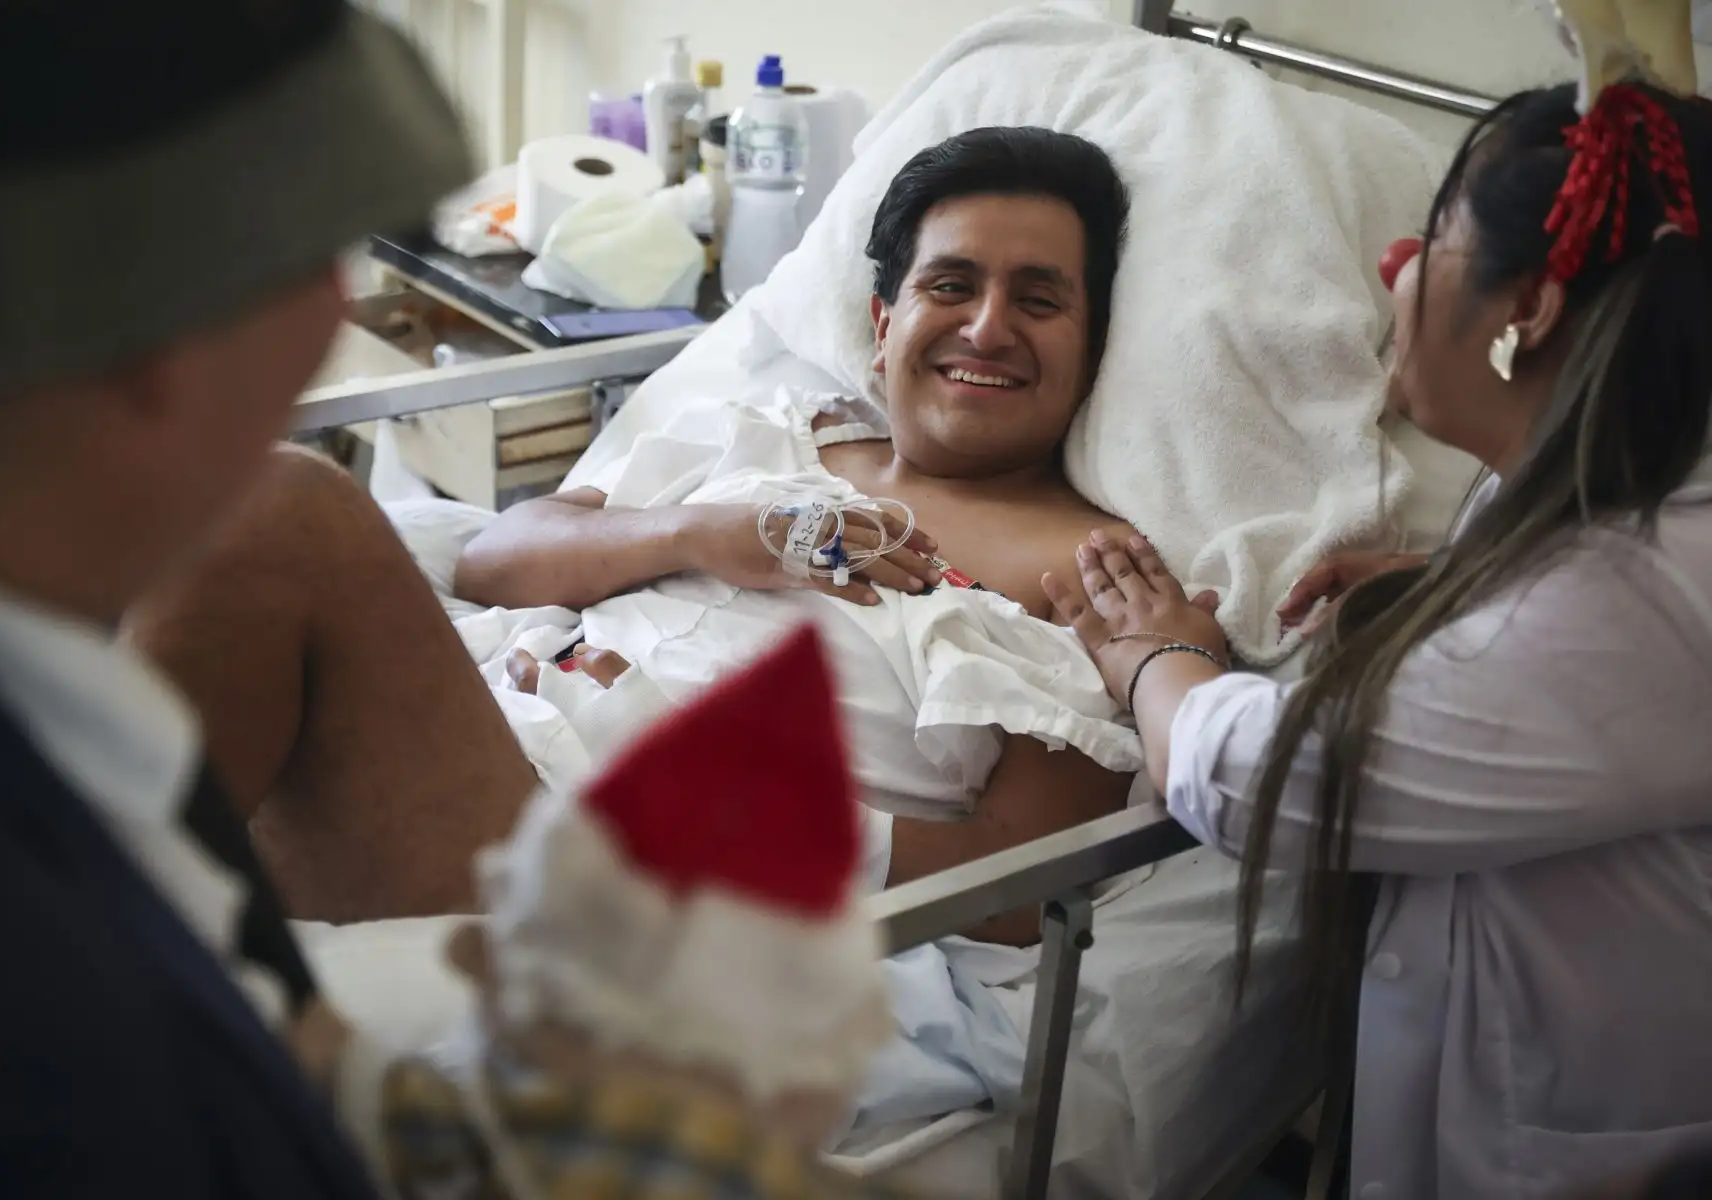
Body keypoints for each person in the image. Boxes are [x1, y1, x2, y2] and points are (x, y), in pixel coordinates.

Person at [129, 127, 1142, 943]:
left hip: (612, 870)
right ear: (882, 325)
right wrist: (708, 533)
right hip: (490, 732)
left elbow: (1020, 891)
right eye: (951, 286)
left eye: (1040, 299)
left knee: (280, 509)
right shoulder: (775, 434)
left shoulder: (1088, 579)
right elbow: (493, 560)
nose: (987, 327)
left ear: (1092, 346)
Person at [1044, 81, 1712, 1198]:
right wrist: (1446, 581)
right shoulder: (1607, 487)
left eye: (1437, 236)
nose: (1397, 260)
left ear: (1529, 313)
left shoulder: (1638, 593)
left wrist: (1161, 655)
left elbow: (1259, 775)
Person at [0, 1, 473, 1193]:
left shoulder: (70, 726)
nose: (338, 312)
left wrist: (417, 1122)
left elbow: (269, 1011)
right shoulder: (33, 1045)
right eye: (315, 260)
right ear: (152, 338)